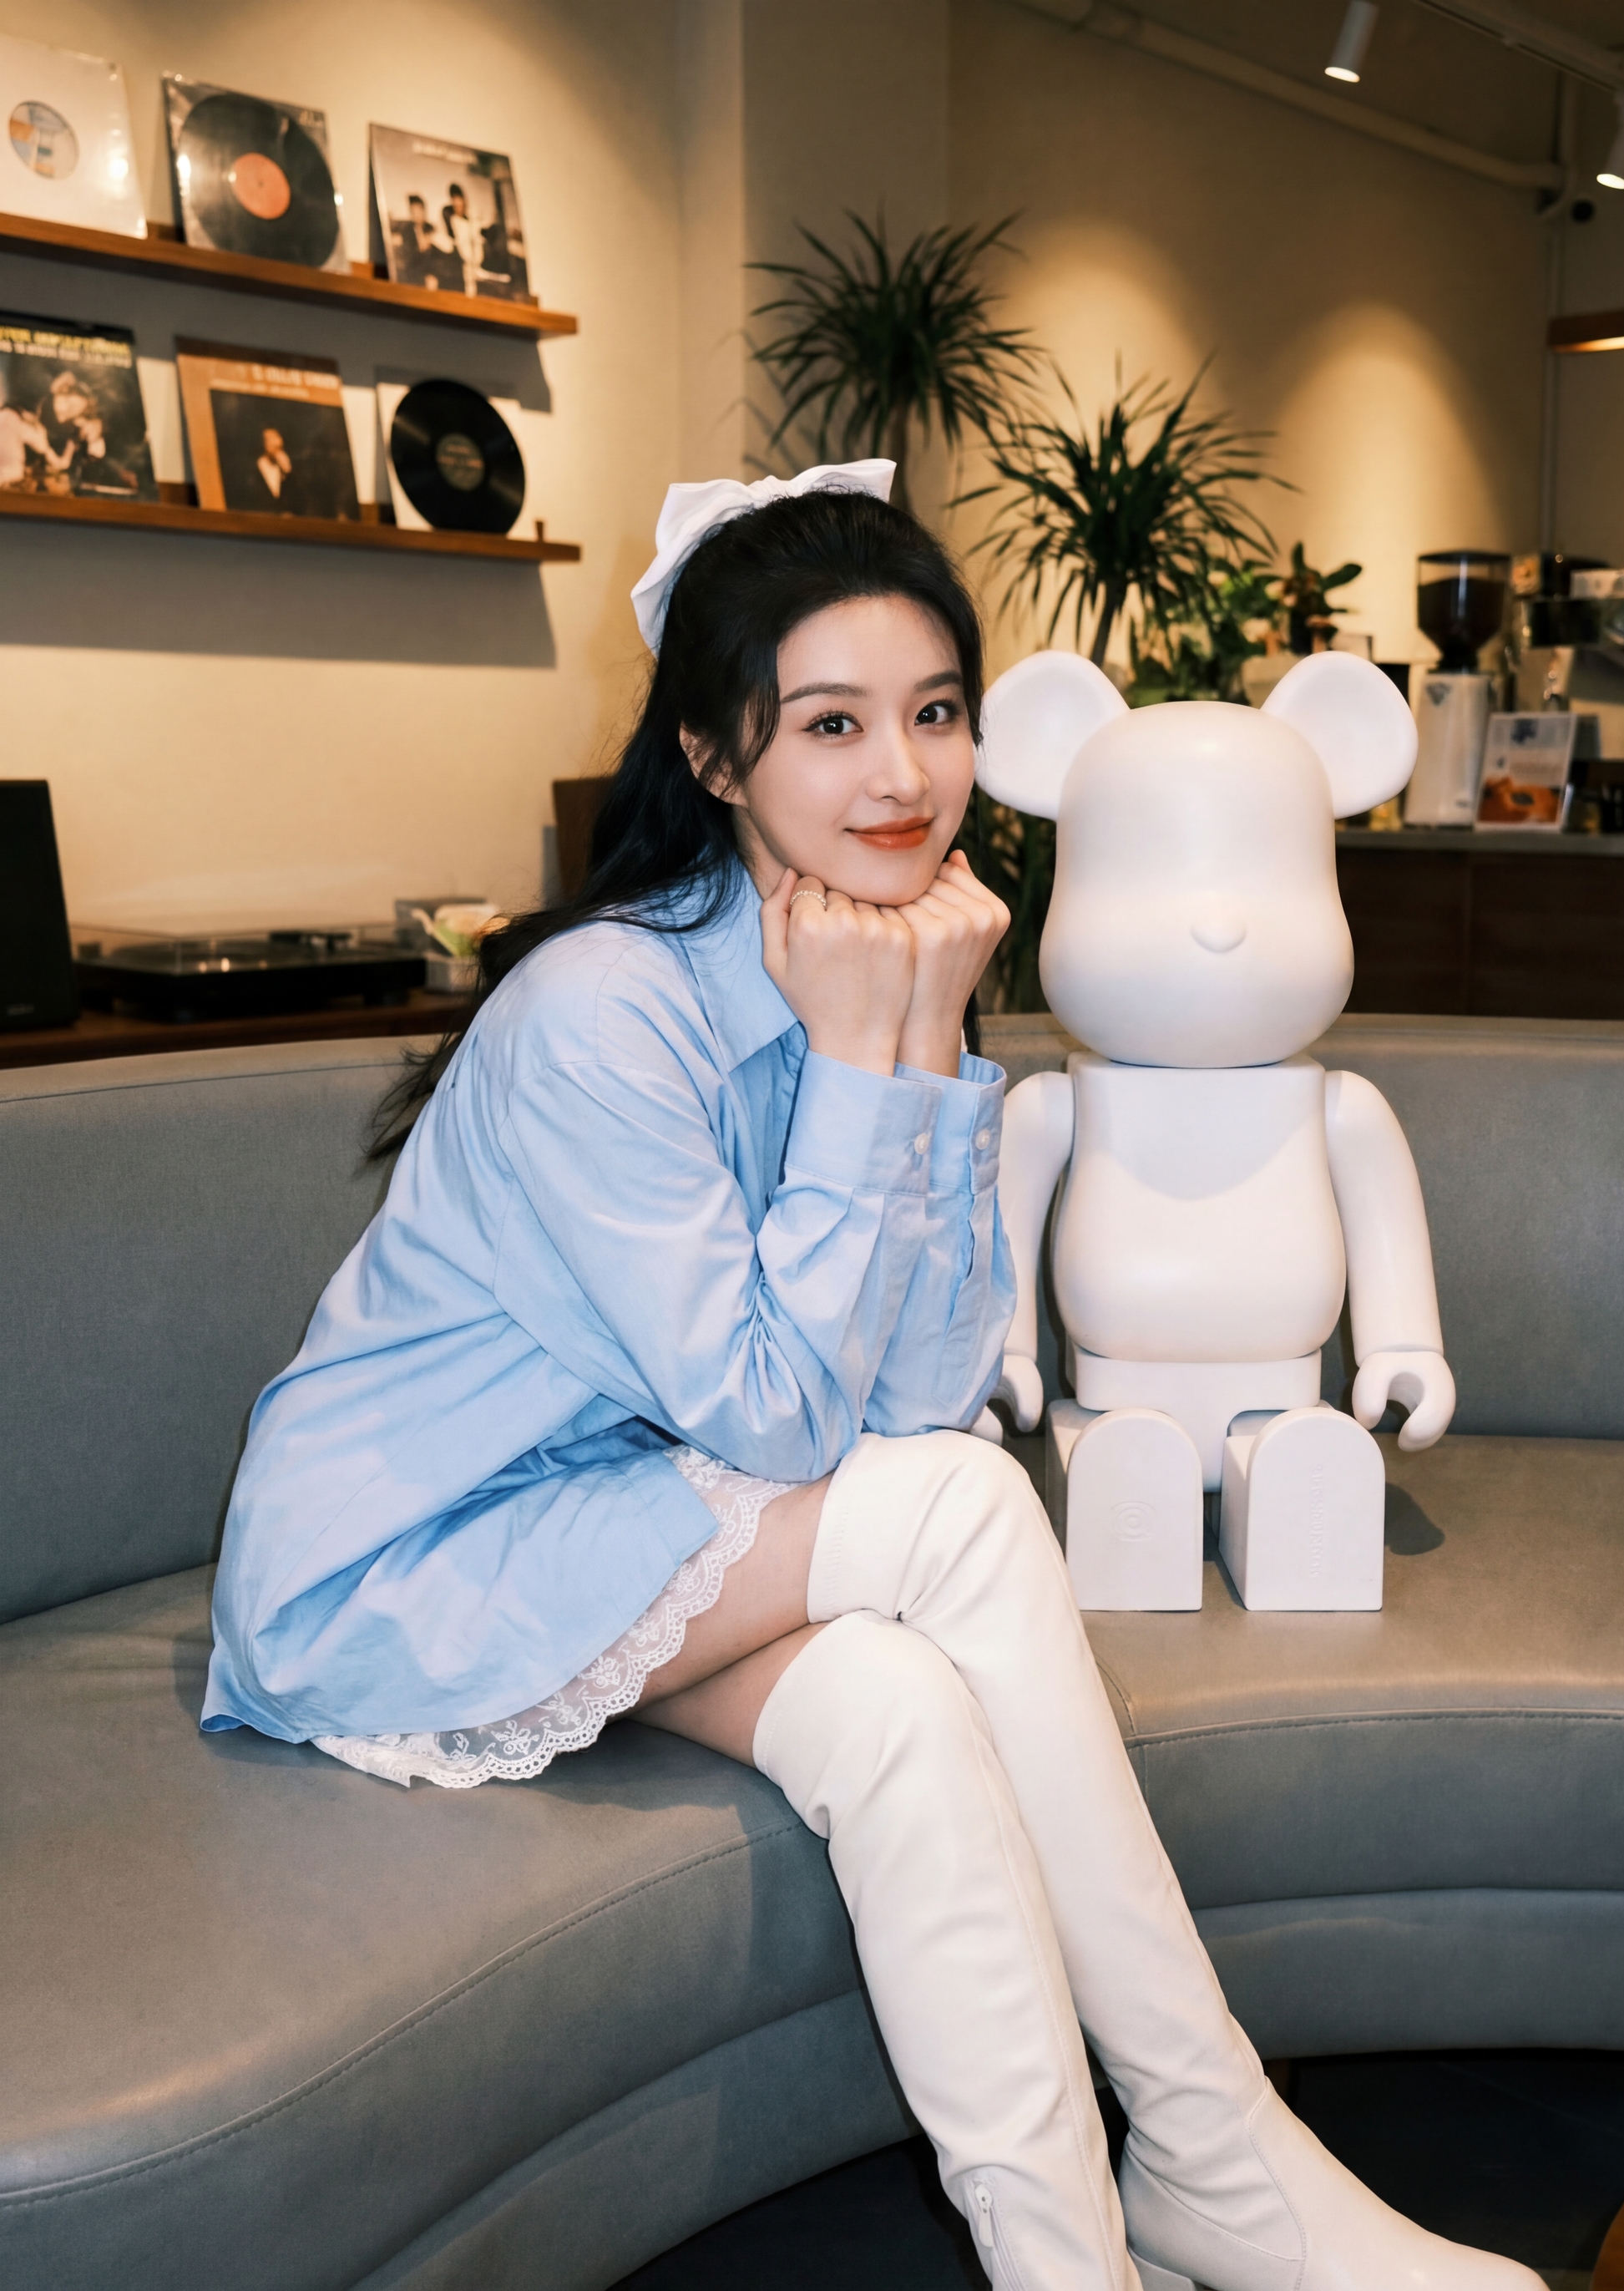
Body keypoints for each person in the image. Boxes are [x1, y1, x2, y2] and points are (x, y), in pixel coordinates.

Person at [203, 464, 1542, 2291]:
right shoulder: (605, 1010)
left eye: (933, 714)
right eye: (828, 724)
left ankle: (1075, 2259)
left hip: (635, 1525)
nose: (900, 777)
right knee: (972, 1517)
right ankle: (1226, 2149)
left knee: (898, 1710)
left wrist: (910, 1035)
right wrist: (867, 1064)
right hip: (408, 1560)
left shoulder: (887, 949)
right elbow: (782, 1423)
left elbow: (906, 1398)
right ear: (714, 755)